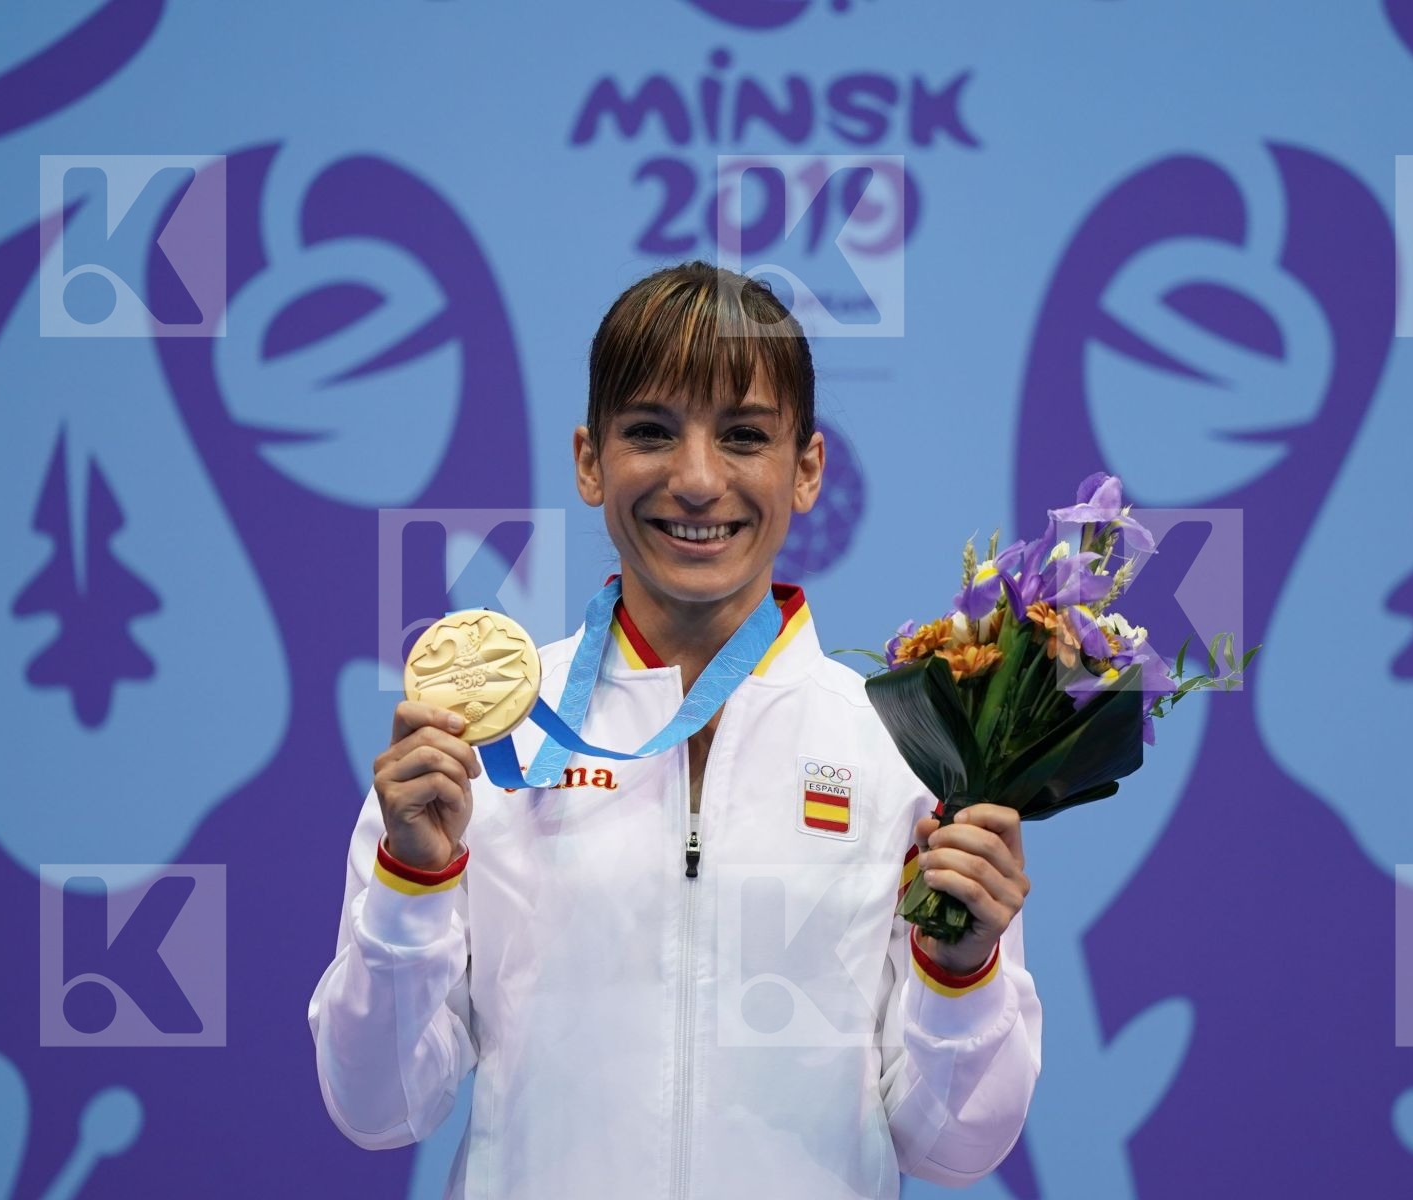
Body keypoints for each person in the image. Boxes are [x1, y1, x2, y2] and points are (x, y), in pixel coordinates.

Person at [308, 261, 1042, 1199]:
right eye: (651, 432)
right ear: (588, 461)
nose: (697, 481)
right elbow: (378, 1110)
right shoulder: (485, 750)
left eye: (744, 436)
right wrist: (410, 884)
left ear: (806, 469)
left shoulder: (907, 754)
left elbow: (953, 1149)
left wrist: (962, 965)